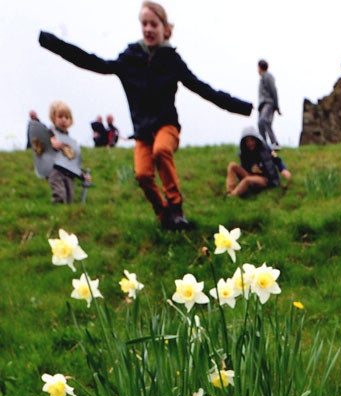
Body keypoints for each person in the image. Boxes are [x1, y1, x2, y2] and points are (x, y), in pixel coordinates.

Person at [39, 3, 252, 230]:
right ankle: (164, 215)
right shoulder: (130, 58)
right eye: (144, 24)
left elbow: (204, 89)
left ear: (164, 27)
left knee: (161, 151)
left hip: (167, 128)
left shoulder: (172, 60)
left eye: (154, 24)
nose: (148, 29)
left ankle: (176, 207)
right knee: (142, 175)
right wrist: (52, 42)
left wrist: (243, 107)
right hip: (142, 132)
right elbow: (92, 61)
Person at [32, 101, 91, 203]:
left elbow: (73, 161)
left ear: (70, 121)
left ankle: (65, 216)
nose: (64, 120)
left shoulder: (72, 142)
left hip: (69, 173)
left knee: (69, 197)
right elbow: (41, 146)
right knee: (60, 194)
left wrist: (82, 174)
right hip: (55, 170)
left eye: (67, 117)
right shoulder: (50, 134)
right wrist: (52, 144)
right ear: (54, 118)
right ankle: (56, 211)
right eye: (60, 116)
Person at [225, 125, 290, 198]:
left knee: (247, 180)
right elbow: (243, 166)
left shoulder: (265, 149)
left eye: (252, 140)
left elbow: (277, 159)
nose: (250, 143)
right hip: (250, 175)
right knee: (232, 165)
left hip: (265, 179)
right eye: (247, 141)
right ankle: (229, 191)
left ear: (256, 140)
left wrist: (283, 169)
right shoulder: (244, 153)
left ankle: (232, 196)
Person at [257, 59, 280, 149]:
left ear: (260, 67)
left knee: (264, 120)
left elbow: (273, 91)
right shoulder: (262, 78)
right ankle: (263, 145)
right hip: (262, 104)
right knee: (260, 123)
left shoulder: (268, 76)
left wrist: (277, 106)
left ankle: (275, 143)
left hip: (269, 103)